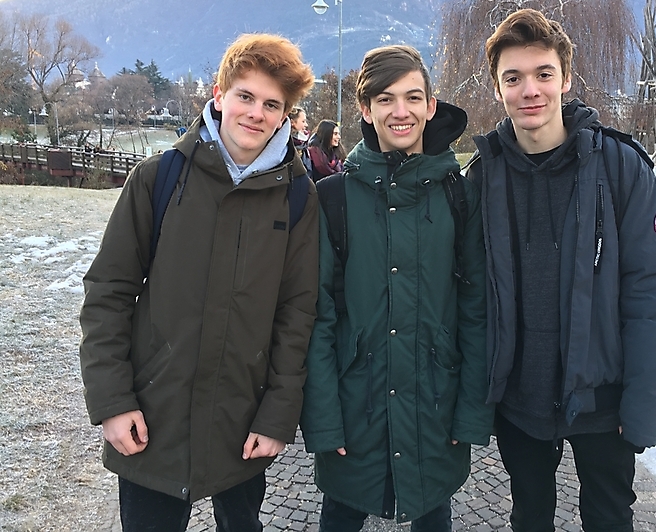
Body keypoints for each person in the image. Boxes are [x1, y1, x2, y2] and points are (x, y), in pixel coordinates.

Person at [79, 33, 319, 532]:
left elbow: (297, 313)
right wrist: (113, 401)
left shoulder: (297, 196)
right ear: (219, 95)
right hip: (154, 415)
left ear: (285, 115)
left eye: (272, 104)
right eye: (245, 96)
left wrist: (277, 414)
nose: (256, 113)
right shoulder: (158, 178)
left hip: (242, 418)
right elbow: (108, 294)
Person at [465, 9, 656, 532]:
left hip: (603, 396)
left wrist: (643, 406)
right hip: (519, 396)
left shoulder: (620, 167)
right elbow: (466, 294)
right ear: (497, 88)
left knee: (608, 518)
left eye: (543, 73)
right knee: (529, 516)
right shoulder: (483, 177)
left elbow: (649, 294)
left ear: (565, 78)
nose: (530, 90)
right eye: (513, 78)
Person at [300, 45, 494, 530]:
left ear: (431, 105)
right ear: (366, 109)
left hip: (435, 401)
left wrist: (470, 412)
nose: (400, 111)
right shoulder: (333, 198)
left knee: (433, 511)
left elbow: (474, 309)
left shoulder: (458, 194)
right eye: (385, 99)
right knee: (341, 513)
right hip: (355, 403)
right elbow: (317, 316)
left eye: (412, 97)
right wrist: (323, 419)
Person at [289, 106, 313, 174]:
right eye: (303, 121)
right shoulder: (286, 144)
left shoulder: (304, 145)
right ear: (292, 122)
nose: (306, 125)